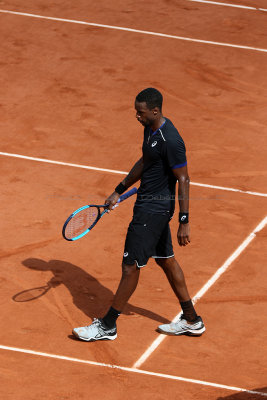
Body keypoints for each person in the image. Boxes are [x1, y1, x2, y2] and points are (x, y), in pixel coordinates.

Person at [73, 88, 205, 341]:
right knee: (166, 260)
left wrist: (184, 220)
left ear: (155, 111)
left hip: (152, 211)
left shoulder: (171, 140)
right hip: (150, 207)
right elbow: (145, 162)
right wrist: (118, 189)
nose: (137, 116)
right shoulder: (151, 129)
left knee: (130, 266)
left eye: (140, 112)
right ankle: (192, 320)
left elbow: (184, 178)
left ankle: (107, 326)